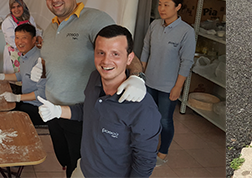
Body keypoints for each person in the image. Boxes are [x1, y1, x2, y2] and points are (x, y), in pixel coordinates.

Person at [35, 0, 147, 177]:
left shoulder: (95, 19)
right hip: (52, 110)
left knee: (80, 163)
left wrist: (138, 77)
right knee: (64, 159)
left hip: (80, 113)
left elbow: (124, 52)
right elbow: (55, 63)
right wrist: (40, 67)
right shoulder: (51, 28)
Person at [37, 25, 160, 177]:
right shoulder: (94, 78)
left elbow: (145, 161)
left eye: (115, 54)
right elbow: (88, 110)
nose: (106, 61)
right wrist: (57, 110)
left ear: (129, 58)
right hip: (83, 169)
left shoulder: (143, 107)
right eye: (101, 53)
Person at [140, 0, 196, 165]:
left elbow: (186, 62)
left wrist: (178, 87)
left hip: (168, 86)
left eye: (166, 5)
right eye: (159, 4)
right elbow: (145, 50)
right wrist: (141, 75)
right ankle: (145, 147)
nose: (161, 9)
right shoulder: (155, 25)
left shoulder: (186, 31)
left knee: (165, 120)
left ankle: (163, 152)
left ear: (178, 7)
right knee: (147, 117)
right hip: (149, 81)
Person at [0, 24, 47, 125]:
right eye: (17, 38)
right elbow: (22, 75)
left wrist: (17, 97)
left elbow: (42, 93)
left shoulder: (40, 60)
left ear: (34, 40)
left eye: (24, 38)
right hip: (26, 101)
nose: (19, 42)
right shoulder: (25, 55)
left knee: (4, 120)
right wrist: (1, 77)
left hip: (39, 108)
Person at [1, 0, 43, 74]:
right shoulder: (8, 21)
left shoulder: (29, 18)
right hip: (14, 52)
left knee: (28, 75)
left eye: (18, 6)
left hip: (29, 51)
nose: (16, 10)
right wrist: (28, 47)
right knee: (16, 78)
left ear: (23, 6)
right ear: (10, 9)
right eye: (13, 7)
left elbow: (35, 30)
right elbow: (12, 40)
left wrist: (39, 36)